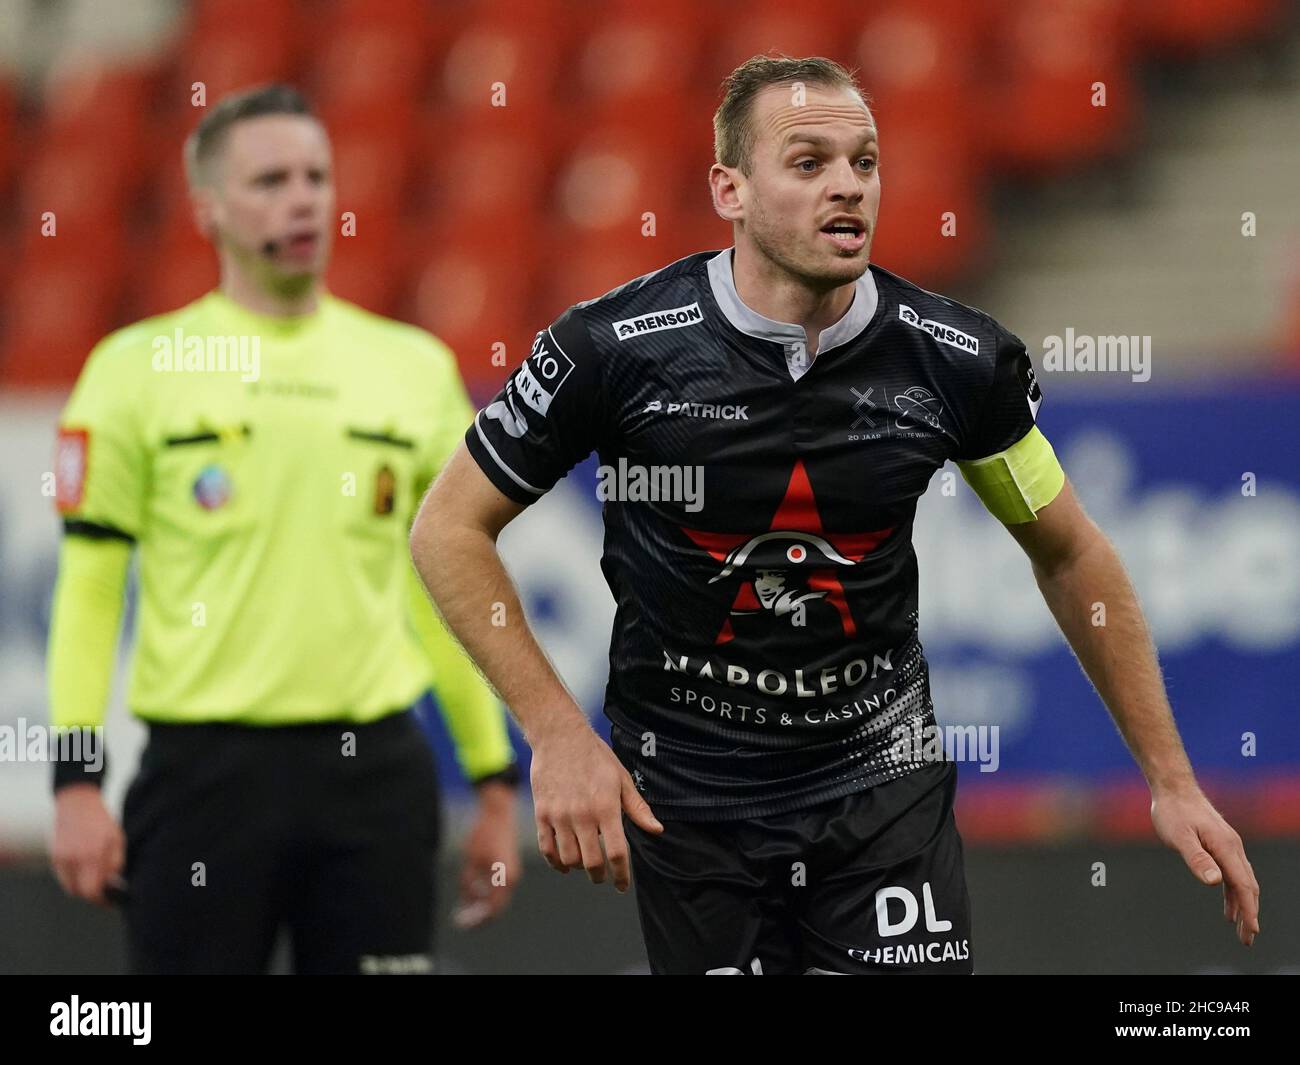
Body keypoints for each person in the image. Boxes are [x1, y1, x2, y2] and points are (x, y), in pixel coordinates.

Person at [408, 55, 1260, 974]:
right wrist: (556, 731)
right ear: (728, 189)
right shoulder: (611, 350)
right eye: (809, 162)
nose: (847, 186)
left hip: (880, 788)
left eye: (865, 161)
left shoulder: (957, 361)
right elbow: (448, 530)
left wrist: (1172, 782)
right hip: (692, 799)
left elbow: (1070, 554)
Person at [47, 84, 520, 975]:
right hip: (202, 778)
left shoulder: (412, 371)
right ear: (209, 210)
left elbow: (442, 592)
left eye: (316, 175)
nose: (302, 198)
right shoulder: (133, 372)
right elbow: (89, 589)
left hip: (374, 778)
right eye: (269, 180)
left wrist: (492, 778)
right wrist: (74, 780)